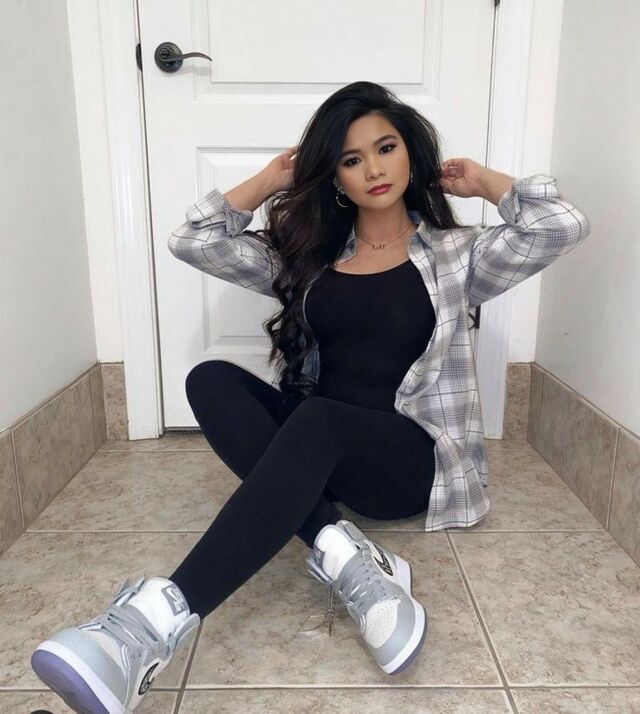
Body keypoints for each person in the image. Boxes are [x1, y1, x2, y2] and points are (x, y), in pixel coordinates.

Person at [30, 81, 591, 713]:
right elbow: (193, 239)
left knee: (319, 419)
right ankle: (346, 553)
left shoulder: (459, 256)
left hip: (407, 463)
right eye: (351, 159)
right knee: (209, 380)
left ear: (412, 155)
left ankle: (150, 626)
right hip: (322, 450)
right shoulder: (309, 258)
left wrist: (484, 182)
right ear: (335, 177)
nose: (373, 169)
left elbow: (561, 225)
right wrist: (271, 179)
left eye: (386, 148)